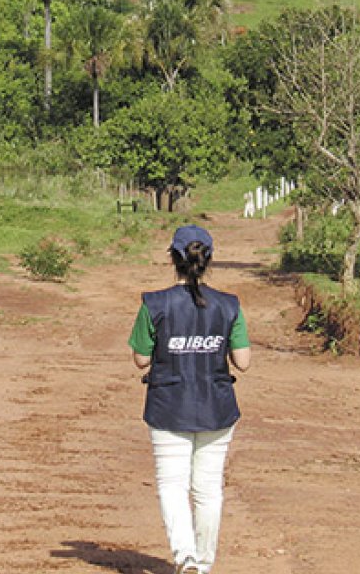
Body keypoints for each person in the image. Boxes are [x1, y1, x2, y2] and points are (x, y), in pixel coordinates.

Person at [128, 225, 251, 574]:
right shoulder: (229, 306)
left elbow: (140, 359)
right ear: (209, 259)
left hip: (168, 407)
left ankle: (185, 557)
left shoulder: (154, 303)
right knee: (208, 489)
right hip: (217, 408)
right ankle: (204, 563)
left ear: (173, 258)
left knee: (172, 484)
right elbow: (243, 361)